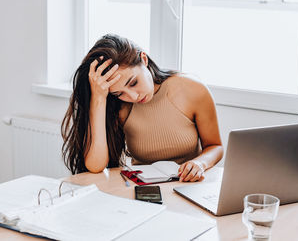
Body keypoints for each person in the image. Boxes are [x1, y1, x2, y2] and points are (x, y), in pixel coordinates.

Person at [61, 34, 223, 182]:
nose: (133, 97)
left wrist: (199, 163)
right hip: (144, 190)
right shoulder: (119, 107)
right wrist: (99, 98)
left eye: (133, 82)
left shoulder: (191, 89)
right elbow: (95, 165)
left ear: (143, 60)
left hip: (190, 186)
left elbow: (215, 146)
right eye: (118, 93)